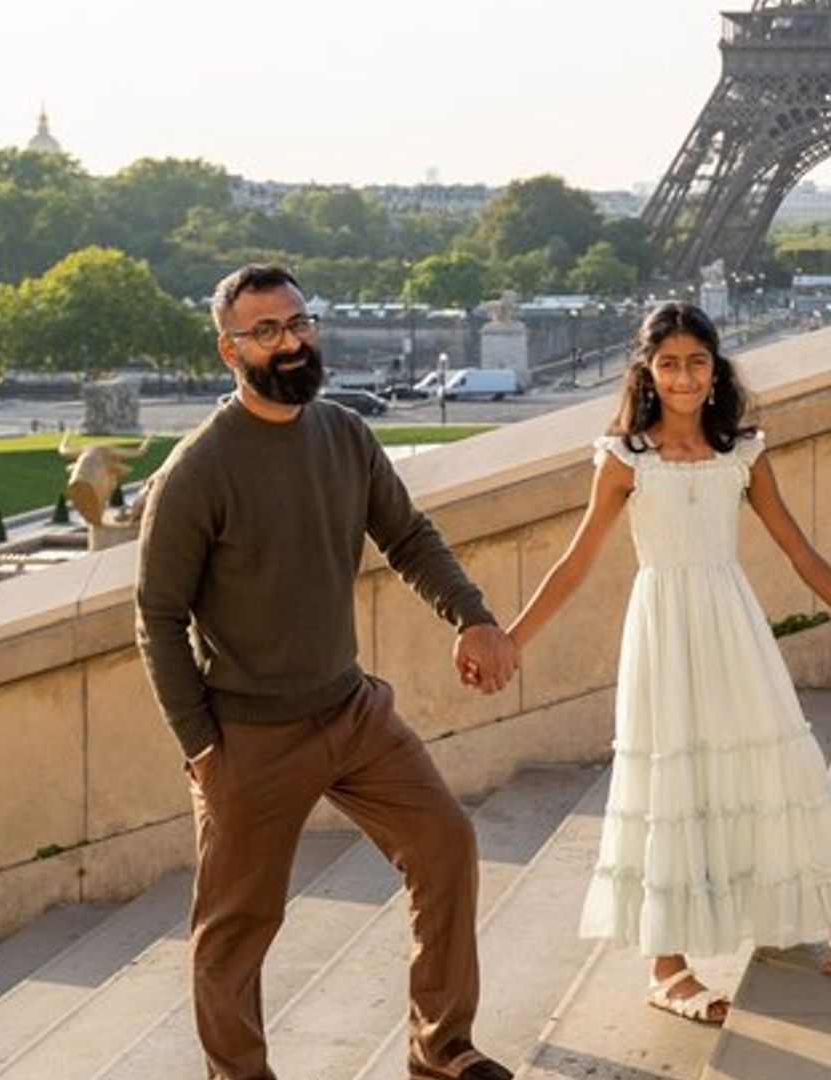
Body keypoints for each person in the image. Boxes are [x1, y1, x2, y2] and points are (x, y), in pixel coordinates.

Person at [135, 264, 521, 1080]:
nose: (290, 342)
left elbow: (409, 537)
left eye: (299, 322)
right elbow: (157, 619)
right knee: (236, 928)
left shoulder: (344, 433)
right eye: (266, 331)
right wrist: (202, 747)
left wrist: (474, 617)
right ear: (227, 350)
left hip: (352, 710)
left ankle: (442, 1047)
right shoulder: (198, 471)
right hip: (247, 733)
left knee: (445, 844)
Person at [506, 302, 831, 1025]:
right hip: (665, 630)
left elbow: (799, 550)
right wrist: (511, 640)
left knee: (780, 768)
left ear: (716, 368)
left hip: (732, 623)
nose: (683, 376)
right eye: (668, 363)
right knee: (674, 778)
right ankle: (667, 966)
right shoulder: (624, 458)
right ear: (647, 371)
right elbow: (576, 563)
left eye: (696, 362)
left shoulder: (743, 449)